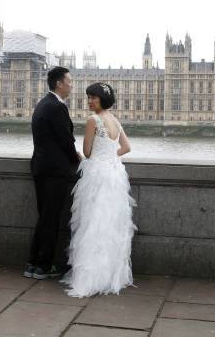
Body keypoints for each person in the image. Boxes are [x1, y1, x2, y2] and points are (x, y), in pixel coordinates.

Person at [60, 82, 137, 298]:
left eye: (93, 97)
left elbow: (87, 151)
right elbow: (127, 148)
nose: (89, 101)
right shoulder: (115, 120)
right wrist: (111, 156)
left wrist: (98, 156)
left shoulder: (93, 120)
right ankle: (108, 276)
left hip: (97, 176)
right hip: (114, 176)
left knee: (92, 224)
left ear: (102, 99)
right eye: (89, 97)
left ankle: (89, 279)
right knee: (109, 225)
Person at [26, 66, 82, 280]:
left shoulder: (42, 104)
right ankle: (44, 266)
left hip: (40, 167)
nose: (71, 84)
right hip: (54, 171)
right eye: (69, 80)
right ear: (59, 83)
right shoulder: (57, 107)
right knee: (51, 219)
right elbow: (65, 138)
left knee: (44, 217)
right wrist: (75, 155)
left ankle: (32, 263)